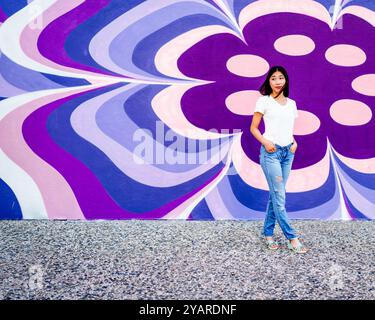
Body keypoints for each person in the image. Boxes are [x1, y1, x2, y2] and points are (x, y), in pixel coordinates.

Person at [250, 65, 309, 254]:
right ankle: (292, 237)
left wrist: (295, 142)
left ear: (286, 80)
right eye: (274, 78)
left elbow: (287, 127)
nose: (277, 81)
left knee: (276, 195)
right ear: (269, 81)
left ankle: (267, 234)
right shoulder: (264, 101)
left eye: (281, 78)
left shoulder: (291, 103)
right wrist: (265, 142)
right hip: (271, 153)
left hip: (288, 153)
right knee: (280, 196)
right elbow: (254, 128)